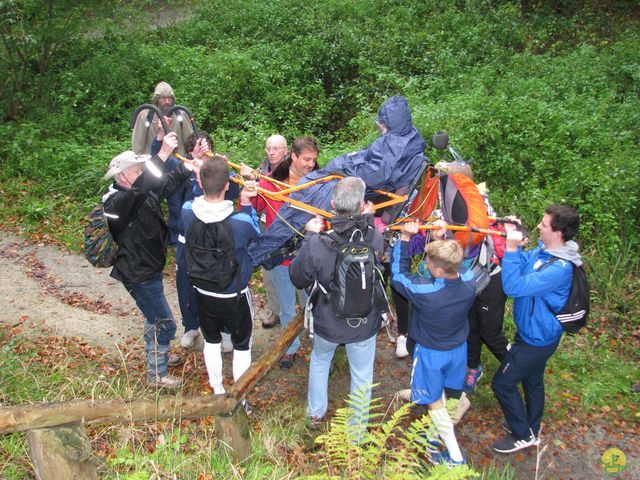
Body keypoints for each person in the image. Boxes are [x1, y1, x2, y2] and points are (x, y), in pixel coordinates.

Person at [249, 95, 428, 269]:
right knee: (303, 194)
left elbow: (376, 174)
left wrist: (344, 164)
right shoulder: (407, 138)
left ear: (390, 121)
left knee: (300, 203)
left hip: (349, 185)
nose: (380, 126)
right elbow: (372, 162)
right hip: (351, 181)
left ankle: (255, 255)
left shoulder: (394, 143)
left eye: (382, 123)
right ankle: (266, 253)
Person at [289, 177, 383, 437]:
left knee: (320, 359)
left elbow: (298, 277)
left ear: (332, 205)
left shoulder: (319, 243)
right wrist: (370, 221)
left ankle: (316, 412)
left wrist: (309, 236)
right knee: (362, 374)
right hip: (364, 322)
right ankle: (356, 433)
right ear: (363, 205)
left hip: (328, 321)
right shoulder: (375, 238)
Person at [103, 132, 192, 388]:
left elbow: (163, 185)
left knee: (153, 317)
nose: (142, 173)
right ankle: (157, 375)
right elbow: (144, 186)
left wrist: (187, 166)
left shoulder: (137, 192)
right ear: (122, 176)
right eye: (137, 170)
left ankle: (158, 355)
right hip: (137, 273)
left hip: (149, 267)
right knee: (165, 324)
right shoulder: (118, 202)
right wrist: (162, 153)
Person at [491, 204, 581, 453]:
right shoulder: (544, 251)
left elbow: (514, 287)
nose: (538, 226)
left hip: (536, 340)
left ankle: (522, 435)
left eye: (543, 224)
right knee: (532, 381)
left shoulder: (559, 268)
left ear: (558, 232)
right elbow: (520, 267)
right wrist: (516, 246)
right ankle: (532, 427)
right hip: (535, 333)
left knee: (502, 383)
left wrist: (510, 248)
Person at [391, 222, 476, 467]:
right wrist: (445, 238)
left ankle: (455, 457)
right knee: (446, 395)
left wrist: (405, 239)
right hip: (458, 350)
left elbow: (398, 276)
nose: (427, 265)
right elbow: (461, 262)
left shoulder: (426, 292)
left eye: (429, 263)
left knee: (434, 401)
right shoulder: (470, 281)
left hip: (431, 353)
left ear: (438, 270)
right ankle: (431, 438)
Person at [182, 155, 260, 400]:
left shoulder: (187, 213)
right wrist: (246, 203)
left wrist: (199, 178)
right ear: (228, 185)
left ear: (201, 183)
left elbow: (194, 200)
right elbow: (254, 234)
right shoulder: (240, 222)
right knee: (242, 346)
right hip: (234, 295)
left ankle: (217, 390)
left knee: (212, 342)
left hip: (203, 292)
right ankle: (240, 397)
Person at [248, 137, 319, 368]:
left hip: (308, 257)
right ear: (294, 157)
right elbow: (254, 207)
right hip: (281, 256)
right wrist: (250, 189)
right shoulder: (272, 183)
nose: (310, 164)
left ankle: (320, 347)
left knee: (313, 304)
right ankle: (290, 347)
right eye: (306, 159)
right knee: (287, 307)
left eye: (313, 160)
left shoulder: (317, 183)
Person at [256, 134, 289, 328]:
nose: (271, 152)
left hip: (292, 232)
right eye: (268, 148)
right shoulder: (262, 172)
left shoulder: (293, 173)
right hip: (269, 232)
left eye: (276, 148)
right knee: (269, 276)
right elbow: (258, 204)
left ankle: (305, 312)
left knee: (298, 276)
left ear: (285, 151)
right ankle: (275, 310)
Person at [131, 81, 194, 156]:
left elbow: (190, 142)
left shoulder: (181, 115)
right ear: (157, 99)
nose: (167, 101)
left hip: (177, 164)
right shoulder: (146, 116)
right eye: (163, 98)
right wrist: (138, 164)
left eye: (169, 98)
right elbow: (138, 144)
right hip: (153, 163)